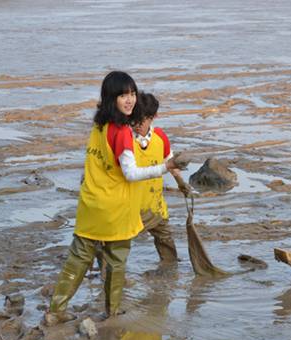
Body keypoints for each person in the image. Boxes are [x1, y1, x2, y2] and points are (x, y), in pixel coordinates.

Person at [45, 71, 189, 326]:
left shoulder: (98, 126)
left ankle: (56, 310)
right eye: (123, 95)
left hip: (91, 203)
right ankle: (111, 312)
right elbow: (131, 174)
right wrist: (166, 168)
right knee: (116, 259)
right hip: (115, 208)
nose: (130, 100)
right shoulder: (122, 131)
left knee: (78, 258)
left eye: (132, 94)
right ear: (111, 97)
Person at [133, 92, 191, 263]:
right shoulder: (125, 139)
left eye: (141, 120)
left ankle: (169, 273)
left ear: (153, 117)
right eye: (133, 120)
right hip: (130, 207)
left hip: (155, 204)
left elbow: (170, 162)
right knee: (117, 245)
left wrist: (181, 183)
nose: (136, 124)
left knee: (166, 242)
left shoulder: (160, 137)